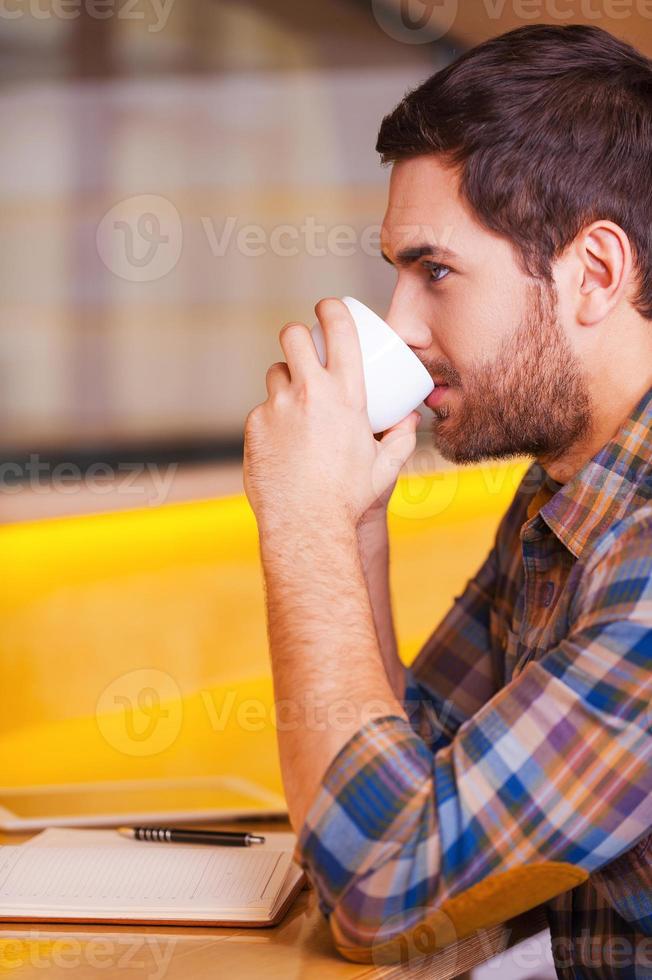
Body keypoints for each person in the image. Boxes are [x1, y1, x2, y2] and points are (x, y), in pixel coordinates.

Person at [243, 24, 651, 979]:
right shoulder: (568, 495)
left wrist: (301, 521)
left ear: (594, 273)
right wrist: (355, 518)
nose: (399, 326)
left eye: (435, 271)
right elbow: (399, 778)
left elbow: (384, 894)